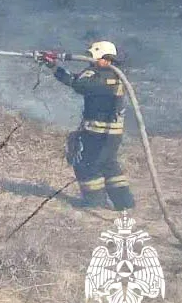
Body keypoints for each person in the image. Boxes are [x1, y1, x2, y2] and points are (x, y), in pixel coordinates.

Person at [39, 41, 135, 211]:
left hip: (100, 133)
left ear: (105, 59)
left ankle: (95, 202)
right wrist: (53, 66)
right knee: (108, 164)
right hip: (106, 134)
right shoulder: (108, 76)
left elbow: (79, 84)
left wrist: (91, 69)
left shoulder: (106, 78)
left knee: (86, 165)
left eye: (92, 58)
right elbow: (73, 79)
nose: (89, 61)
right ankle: (124, 203)